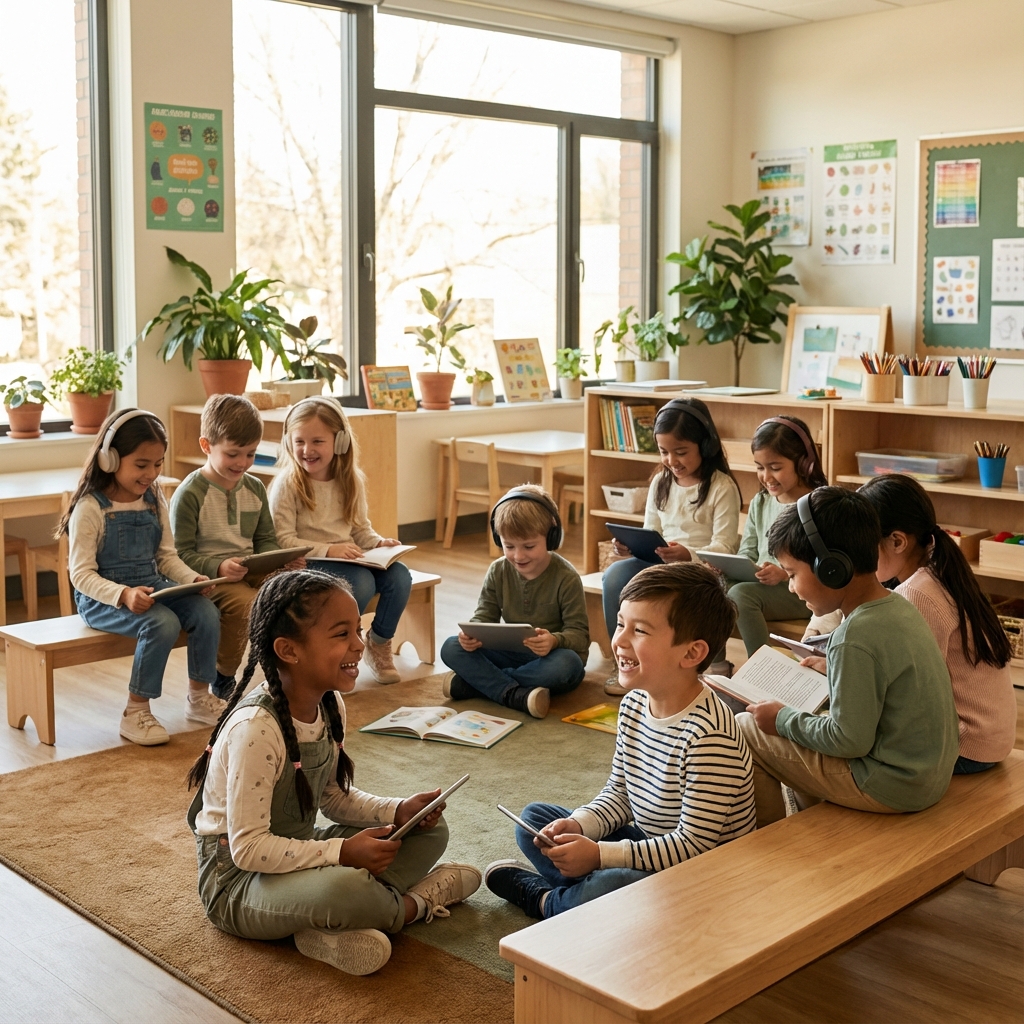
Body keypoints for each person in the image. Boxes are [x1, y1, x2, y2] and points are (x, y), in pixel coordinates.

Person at [186, 570, 481, 976]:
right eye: (342, 634)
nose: (359, 645)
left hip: (296, 852)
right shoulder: (255, 729)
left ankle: (327, 923)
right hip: (237, 883)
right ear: (289, 650)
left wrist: (398, 811)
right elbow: (248, 850)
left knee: (430, 830)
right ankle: (412, 906)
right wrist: (343, 853)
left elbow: (333, 798)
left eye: (358, 630)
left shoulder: (330, 704)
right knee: (346, 886)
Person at [484, 562, 755, 919]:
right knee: (536, 820)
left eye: (639, 630)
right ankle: (584, 895)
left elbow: (693, 846)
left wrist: (598, 855)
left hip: (700, 875)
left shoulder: (709, 737)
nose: (620, 640)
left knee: (613, 883)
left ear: (691, 654)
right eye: (621, 623)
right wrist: (580, 825)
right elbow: (621, 793)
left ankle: (549, 902)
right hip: (648, 842)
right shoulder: (634, 704)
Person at [735, 486, 959, 828]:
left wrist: (781, 720)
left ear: (832, 568)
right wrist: (833, 669)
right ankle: (815, 824)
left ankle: (769, 845)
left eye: (793, 574)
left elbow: (847, 739)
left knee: (747, 728)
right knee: (802, 724)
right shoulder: (897, 605)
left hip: (891, 786)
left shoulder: (854, 636)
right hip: (925, 776)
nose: (791, 587)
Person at [60, 409, 222, 746]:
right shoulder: (90, 508)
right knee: (161, 622)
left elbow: (166, 557)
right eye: (141, 464)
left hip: (150, 586)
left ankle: (198, 698)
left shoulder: (153, 498)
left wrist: (192, 579)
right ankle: (136, 710)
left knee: (205, 611)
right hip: (102, 599)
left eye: (158, 464)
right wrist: (122, 594)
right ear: (109, 459)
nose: (151, 473)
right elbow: (81, 575)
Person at [859, 474, 1015, 774]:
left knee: (849, 742)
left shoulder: (917, 593)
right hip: (989, 738)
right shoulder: (940, 570)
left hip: (968, 746)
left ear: (897, 541)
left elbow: (905, 689)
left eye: (864, 545)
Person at [602, 398, 741, 694]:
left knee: (692, 594)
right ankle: (625, 661)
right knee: (615, 575)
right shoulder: (660, 483)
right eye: (664, 452)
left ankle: (714, 665)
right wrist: (630, 546)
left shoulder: (721, 487)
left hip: (701, 569)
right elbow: (652, 531)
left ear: (705, 446)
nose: (672, 460)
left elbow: (725, 546)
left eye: (681, 452)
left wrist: (687, 554)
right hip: (660, 564)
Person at [269, 397, 411, 685]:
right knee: (361, 583)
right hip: (308, 563)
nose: (307, 450)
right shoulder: (288, 483)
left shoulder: (351, 480)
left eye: (317, 441)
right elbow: (282, 539)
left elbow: (360, 528)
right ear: (288, 443)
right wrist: (330, 549)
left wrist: (379, 543)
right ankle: (338, 649)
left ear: (341, 442)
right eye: (299, 441)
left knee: (400, 577)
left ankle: (378, 642)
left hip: (347, 559)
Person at [170, 394, 304, 697]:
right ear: (206, 446)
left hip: (248, 569)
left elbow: (265, 540)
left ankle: (290, 673)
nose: (242, 463)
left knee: (297, 593)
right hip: (210, 578)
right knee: (248, 605)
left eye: (250, 454)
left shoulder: (255, 487)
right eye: (233, 454)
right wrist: (217, 566)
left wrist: (282, 561)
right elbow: (178, 555)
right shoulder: (190, 493)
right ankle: (223, 677)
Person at [439, 486, 588, 719]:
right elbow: (484, 617)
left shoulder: (566, 577)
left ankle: (478, 684)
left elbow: (580, 636)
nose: (518, 556)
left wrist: (554, 640)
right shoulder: (497, 570)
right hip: (509, 652)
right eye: (509, 546)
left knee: (567, 665)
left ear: (551, 537)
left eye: (529, 546)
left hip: (549, 658)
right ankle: (513, 694)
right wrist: (471, 636)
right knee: (451, 647)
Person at [728, 416, 828, 658]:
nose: (766, 476)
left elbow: (823, 564)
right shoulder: (761, 502)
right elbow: (748, 550)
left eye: (775, 467)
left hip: (799, 591)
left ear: (803, 464)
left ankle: (760, 668)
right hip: (762, 587)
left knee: (740, 595)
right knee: (714, 588)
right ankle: (718, 666)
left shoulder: (818, 504)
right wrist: (736, 567)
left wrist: (784, 574)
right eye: (760, 467)